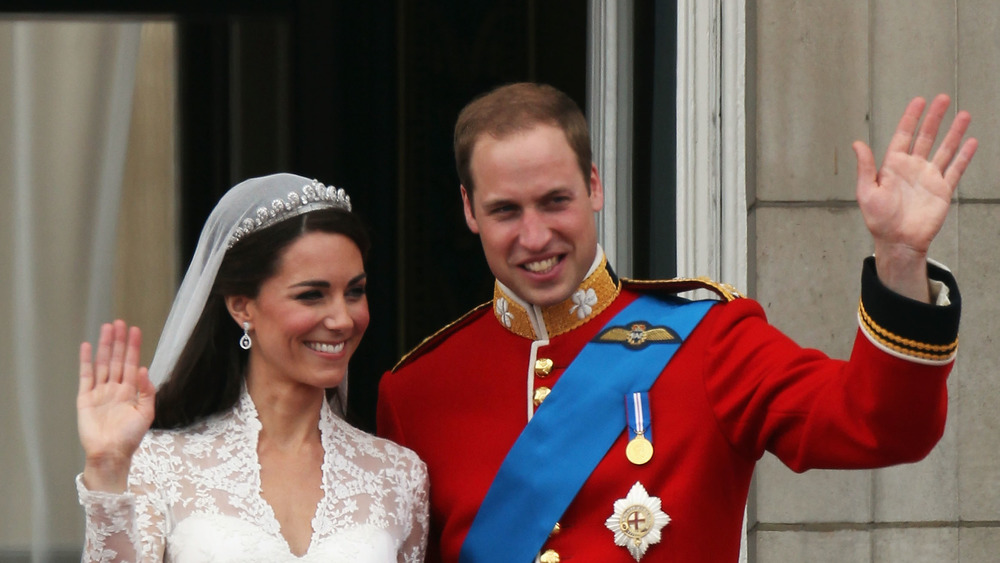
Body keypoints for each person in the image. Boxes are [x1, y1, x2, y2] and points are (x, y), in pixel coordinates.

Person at [376, 83, 977, 562]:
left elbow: (883, 426)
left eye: (555, 200)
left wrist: (901, 260)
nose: (535, 236)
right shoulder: (417, 392)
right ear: (468, 210)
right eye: (505, 210)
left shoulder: (712, 341)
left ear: (593, 186)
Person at [76, 173, 429, 562]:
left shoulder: (399, 475)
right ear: (242, 306)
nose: (342, 319)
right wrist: (107, 469)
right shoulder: (159, 463)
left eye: (355, 292)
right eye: (312, 295)